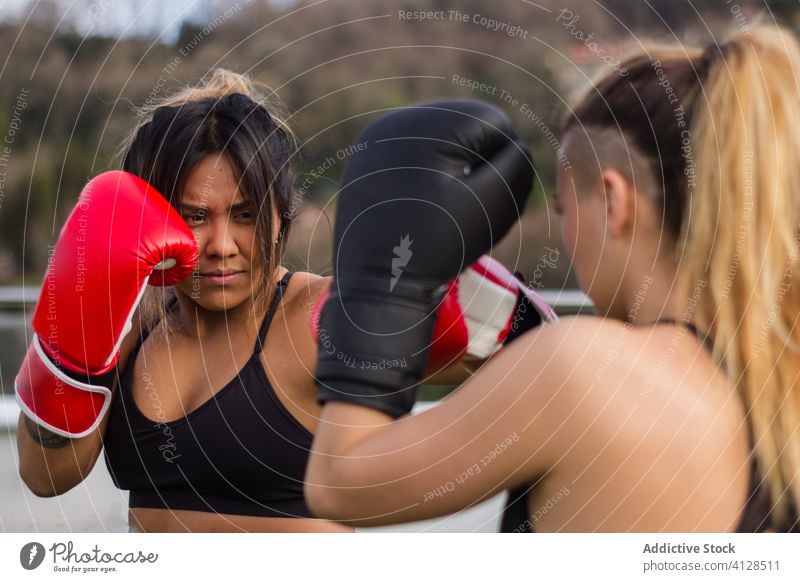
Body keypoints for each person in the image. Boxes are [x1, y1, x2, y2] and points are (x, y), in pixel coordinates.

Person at [305, 26, 800, 532]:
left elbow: (339, 480)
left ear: (613, 202)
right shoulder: (779, 389)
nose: (565, 234)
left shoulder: (584, 370)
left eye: (564, 208)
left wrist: (383, 291)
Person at [16, 70, 551, 532]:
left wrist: (457, 287)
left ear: (280, 215)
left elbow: (548, 363)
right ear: (152, 216)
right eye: (195, 216)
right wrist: (73, 342)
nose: (222, 246)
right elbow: (44, 476)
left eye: (246, 215)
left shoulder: (320, 317)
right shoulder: (136, 324)